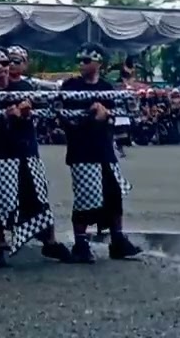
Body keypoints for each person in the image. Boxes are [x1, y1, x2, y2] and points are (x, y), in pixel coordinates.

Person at [0, 49, 71, 266]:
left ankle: (49, 241)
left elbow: (44, 113)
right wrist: (4, 116)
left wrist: (29, 111)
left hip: (28, 151)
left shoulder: (24, 88)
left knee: (38, 197)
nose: (0, 68)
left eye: (4, 63)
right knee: (3, 200)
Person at [59, 43, 142, 263]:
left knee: (114, 196)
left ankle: (117, 240)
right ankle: (81, 243)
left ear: (98, 63)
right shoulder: (70, 86)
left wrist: (105, 117)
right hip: (81, 149)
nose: (81, 65)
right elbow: (64, 116)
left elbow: (116, 114)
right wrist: (90, 116)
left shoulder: (106, 87)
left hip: (104, 148)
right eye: (80, 60)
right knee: (86, 198)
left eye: (86, 61)